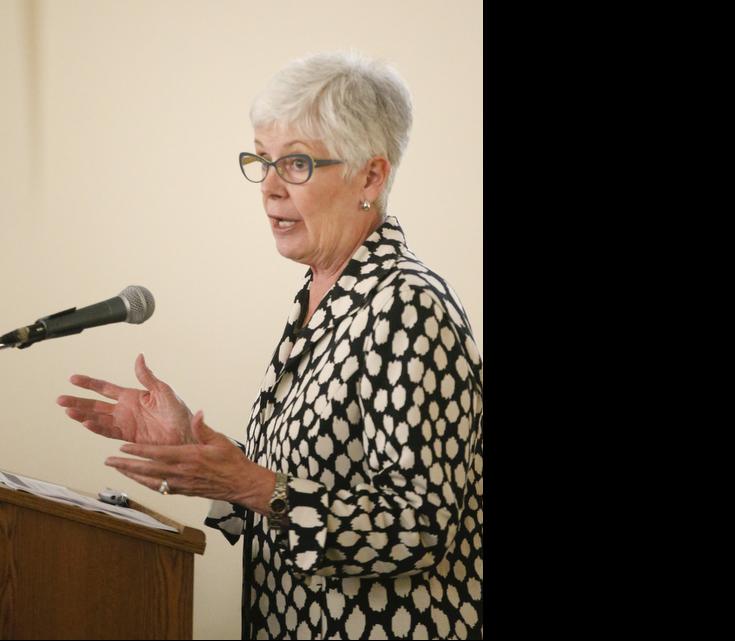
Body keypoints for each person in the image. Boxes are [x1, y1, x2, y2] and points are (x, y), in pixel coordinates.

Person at [55, 51, 483, 640]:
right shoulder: (323, 293)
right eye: (264, 160)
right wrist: (198, 450)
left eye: (299, 164)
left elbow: (420, 526)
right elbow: (306, 478)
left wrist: (247, 484)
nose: (271, 189)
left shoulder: (407, 306)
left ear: (371, 176)